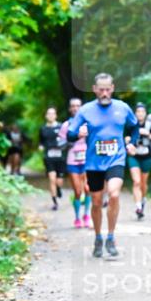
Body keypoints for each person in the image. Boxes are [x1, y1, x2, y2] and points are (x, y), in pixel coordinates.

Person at [65, 73, 139, 258]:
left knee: (114, 194)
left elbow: (135, 127)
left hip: (116, 159)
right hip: (93, 163)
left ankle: (111, 237)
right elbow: (70, 134)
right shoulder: (86, 110)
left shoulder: (122, 108)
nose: (105, 93)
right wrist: (78, 134)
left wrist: (132, 143)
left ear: (112, 88)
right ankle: (98, 237)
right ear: (95, 89)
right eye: (101, 89)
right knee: (96, 202)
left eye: (108, 89)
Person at [59, 98, 92, 228]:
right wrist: (71, 139)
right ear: (69, 109)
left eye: (78, 106)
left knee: (88, 189)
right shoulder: (66, 125)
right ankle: (77, 217)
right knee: (78, 191)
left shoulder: (88, 123)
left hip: (87, 160)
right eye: (73, 106)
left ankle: (87, 215)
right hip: (72, 161)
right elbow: (60, 144)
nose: (75, 108)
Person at [127, 102, 151, 219]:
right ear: (134, 114)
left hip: (147, 157)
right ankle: (138, 207)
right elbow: (124, 137)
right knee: (136, 182)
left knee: (143, 184)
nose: (140, 114)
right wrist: (127, 140)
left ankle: (143, 199)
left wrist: (148, 134)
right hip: (133, 156)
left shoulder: (150, 124)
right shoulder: (130, 125)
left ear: (145, 113)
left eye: (142, 112)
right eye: (138, 111)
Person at [39, 106, 65, 210]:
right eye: (49, 113)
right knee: (51, 179)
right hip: (49, 157)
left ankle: (58, 188)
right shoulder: (43, 129)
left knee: (59, 181)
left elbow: (66, 139)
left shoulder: (61, 127)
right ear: (46, 116)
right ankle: (55, 202)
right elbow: (41, 141)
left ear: (56, 115)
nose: (50, 115)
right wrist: (40, 146)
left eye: (52, 113)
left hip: (60, 157)